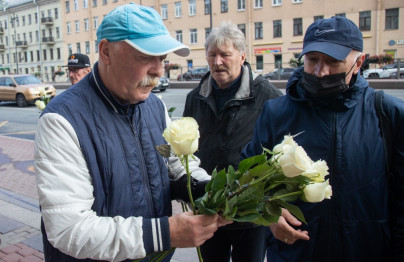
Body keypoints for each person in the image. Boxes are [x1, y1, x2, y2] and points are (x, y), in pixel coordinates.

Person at [35, 4, 230, 261]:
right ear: (106, 52)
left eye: (162, 59)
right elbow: (68, 229)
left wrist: (205, 189)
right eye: (146, 56)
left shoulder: (153, 105)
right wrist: (164, 234)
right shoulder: (61, 120)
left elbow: (173, 164)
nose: (159, 70)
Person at [241, 16, 404, 262]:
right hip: (295, 254)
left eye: (333, 62)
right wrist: (267, 212)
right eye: (312, 60)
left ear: (358, 62)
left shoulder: (388, 114)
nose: (320, 71)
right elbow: (248, 175)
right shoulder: (276, 113)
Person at [183, 21, 283, 262]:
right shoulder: (195, 97)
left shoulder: (268, 96)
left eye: (225, 55)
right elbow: (185, 151)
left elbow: (280, 153)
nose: (217, 62)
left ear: (242, 56)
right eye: (212, 55)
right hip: (208, 207)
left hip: (250, 212)